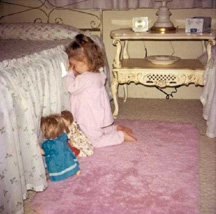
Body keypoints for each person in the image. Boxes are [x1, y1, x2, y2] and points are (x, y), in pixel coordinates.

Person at [65, 34, 137, 148]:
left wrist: (69, 74)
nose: (72, 68)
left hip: (87, 116)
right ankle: (114, 128)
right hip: (96, 114)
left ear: (83, 62)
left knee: (94, 141)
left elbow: (71, 88)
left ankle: (120, 136)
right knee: (96, 130)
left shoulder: (85, 78)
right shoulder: (98, 73)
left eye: (73, 65)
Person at [40, 114, 81, 182]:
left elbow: (44, 152)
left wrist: (38, 148)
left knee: (57, 166)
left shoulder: (47, 144)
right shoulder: (62, 136)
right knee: (69, 162)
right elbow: (66, 140)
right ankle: (75, 170)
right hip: (67, 156)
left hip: (56, 161)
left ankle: (60, 175)